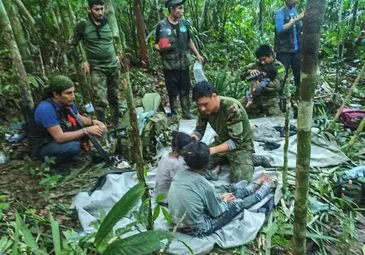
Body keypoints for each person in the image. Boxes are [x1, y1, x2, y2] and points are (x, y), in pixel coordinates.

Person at [168, 141, 273, 237]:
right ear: (207, 163)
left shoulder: (178, 176)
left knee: (227, 195)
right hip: (198, 229)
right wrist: (224, 202)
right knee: (237, 204)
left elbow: (197, 198)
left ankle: (255, 185)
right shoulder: (205, 185)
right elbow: (216, 213)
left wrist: (220, 199)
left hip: (178, 223)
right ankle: (265, 187)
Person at [28, 75, 106, 164]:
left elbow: (79, 118)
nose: (73, 96)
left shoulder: (67, 102)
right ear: (56, 94)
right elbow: (60, 138)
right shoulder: (45, 109)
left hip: (59, 135)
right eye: (68, 93)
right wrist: (86, 131)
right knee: (73, 146)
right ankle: (55, 162)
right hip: (44, 145)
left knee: (90, 130)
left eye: (73, 92)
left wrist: (94, 122)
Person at [68, 0, 121, 126]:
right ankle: (101, 127)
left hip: (113, 66)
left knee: (115, 97)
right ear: (90, 10)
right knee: (100, 100)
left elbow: (118, 38)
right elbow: (70, 45)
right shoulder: (83, 24)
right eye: (96, 9)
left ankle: (117, 125)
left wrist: (119, 53)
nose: (100, 12)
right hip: (97, 68)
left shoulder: (110, 21)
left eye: (102, 9)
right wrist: (82, 61)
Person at [191, 81, 254, 182]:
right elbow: (199, 130)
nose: (202, 108)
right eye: (199, 105)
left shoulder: (231, 107)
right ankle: (225, 159)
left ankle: (251, 158)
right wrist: (193, 138)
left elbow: (236, 142)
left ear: (214, 96)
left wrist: (211, 151)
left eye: (205, 104)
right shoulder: (204, 109)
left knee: (242, 180)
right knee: (194, 164)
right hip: (221, 141)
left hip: (241, 146)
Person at [154, 0, 204, 120]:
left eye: (183, 8)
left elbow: (188, 40)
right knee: (172, 91)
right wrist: (161, 48)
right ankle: (175, 114)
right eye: (180, 8)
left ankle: (186, 113)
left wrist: (197, 54)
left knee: (185, 90)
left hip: (184, 64)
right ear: (172, 9)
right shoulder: (161, 25)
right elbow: (155, 45)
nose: (182, 11)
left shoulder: (184, 24)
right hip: (169, 65)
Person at [242, 44, 286, 117]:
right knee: (237, 108)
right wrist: (250, 71)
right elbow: (242, 73)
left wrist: (259, 83)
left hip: (271, 99)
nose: (262, 62)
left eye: (264, 59)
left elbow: (277, 85)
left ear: (271, 56)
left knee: (278, 120)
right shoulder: (257, 64)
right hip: (255, 98)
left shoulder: (279, 67)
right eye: (260, 60)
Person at [274, 0, 304, 95]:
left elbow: (300, 26)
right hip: (284, 52)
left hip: (296, 50)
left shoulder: (294, 11)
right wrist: (295, 20)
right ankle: (279, 96)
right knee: (281, 74)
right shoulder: (280, 13)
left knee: (298, 74)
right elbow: (279, 29)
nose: (296, 1)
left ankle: (299, 94)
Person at [155, 131, 192, 204]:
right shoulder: (174, 164)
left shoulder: (166, 155)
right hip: (165, 199)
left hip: (159, 193)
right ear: (182, 149)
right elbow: (181, 183)